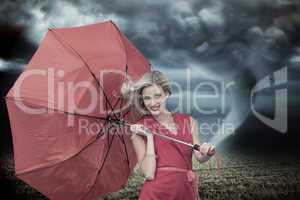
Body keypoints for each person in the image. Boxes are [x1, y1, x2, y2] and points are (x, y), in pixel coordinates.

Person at [124, 70, 215, 200]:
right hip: (156, 195)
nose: (152, 103)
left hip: (186, 192)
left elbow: (200, 156)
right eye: (147, 98)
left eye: (157, 96)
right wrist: (149, 137)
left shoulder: (188, 121)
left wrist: (207, 152)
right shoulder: (139, 128)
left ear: (166, 93)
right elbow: (149, 173)